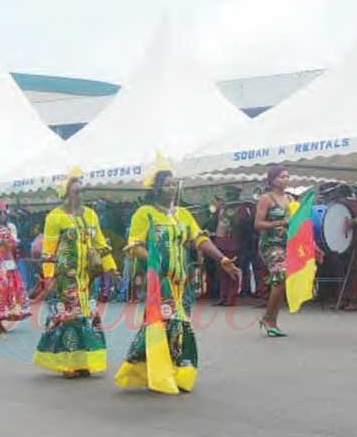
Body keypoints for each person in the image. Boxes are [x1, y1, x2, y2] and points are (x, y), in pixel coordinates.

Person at [114, 154, 240, 395]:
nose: (171, 189)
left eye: (174, 185)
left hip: (183, 281)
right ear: (155, 189)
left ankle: (174, 372)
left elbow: (199, 239)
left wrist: (221, 258)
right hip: (159, 282)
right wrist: (154, 260)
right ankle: (161, 375)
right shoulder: (145, 213)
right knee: (163, 322)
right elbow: (134, 245)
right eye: (167, 185)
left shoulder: (182, 215)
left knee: (180, 324)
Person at [33, 167, 118, 378]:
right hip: (65, 278)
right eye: (75, 191)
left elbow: (100, 243)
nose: (80, 195)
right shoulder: (55, 217)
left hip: (86, 277)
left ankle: (85, 361)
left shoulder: (90, 215)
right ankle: (68, 364)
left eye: (82, 191)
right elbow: (48, 250)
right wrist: (49, 275)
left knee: (87, 317)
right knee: (69, 318)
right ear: (67, 193)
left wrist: (111, 267)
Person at [256, 166, 322, 337]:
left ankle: (269, 317)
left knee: (281, 282)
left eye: (287, 176)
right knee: (281, 276)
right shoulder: (266, 199)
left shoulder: (291, 199)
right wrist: (278, 224)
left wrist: (314, 247)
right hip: (271, 246)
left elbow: (301, 226)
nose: (285, 179)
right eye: (281, 177)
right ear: (272, 180)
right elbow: (258, 224)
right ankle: (270, 320)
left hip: (289, 245)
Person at [0, 200, 31, 335]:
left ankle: (5, 315)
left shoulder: (10, 228)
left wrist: (7, 242)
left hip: (8, 263)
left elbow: (14, 245)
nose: (2, 215)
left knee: (10, 289)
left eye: (4, 212)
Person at [212, 189, 252, 306]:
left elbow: (244, 225)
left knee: (233, 270)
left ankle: (231, 298)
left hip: (235, 243)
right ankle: (223, 296)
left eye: (232, 195)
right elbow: (215, 222)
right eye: (228, 194)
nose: (229, 197)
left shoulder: (242, 209)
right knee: (222, 271)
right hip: (220, 242)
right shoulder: (221, 208)